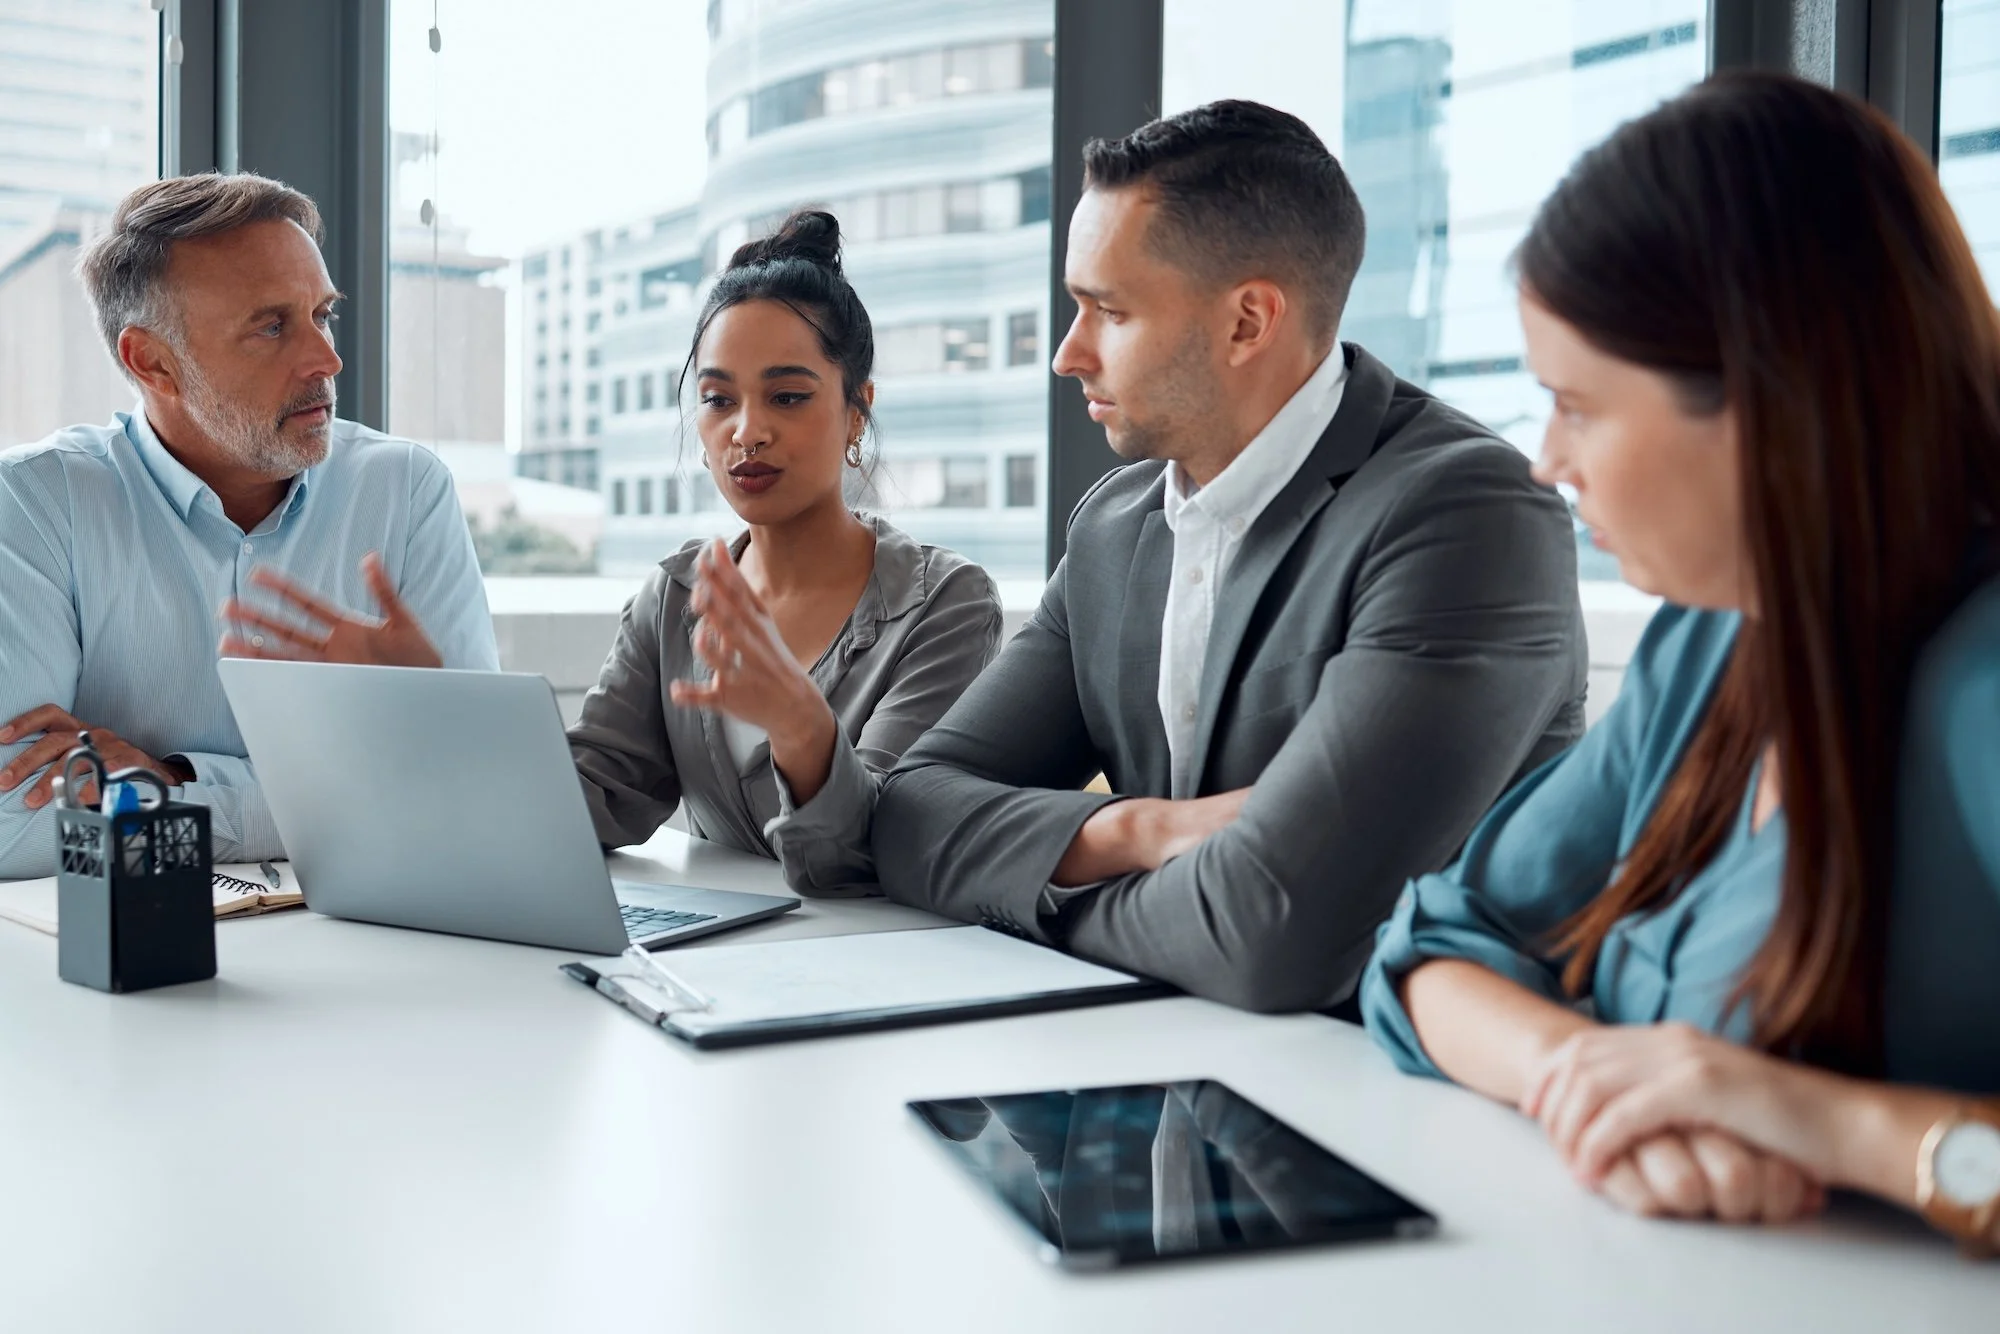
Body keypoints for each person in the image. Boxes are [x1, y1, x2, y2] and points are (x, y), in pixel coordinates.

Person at [1359, 72, 2000, 1244]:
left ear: (1768, 399)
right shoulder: (1713, 637)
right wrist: (1594, 1081)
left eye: (1578, 405)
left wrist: (1828, 1123)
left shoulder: (1980, 694)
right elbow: (1430, 949)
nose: (1548, 460)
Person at [872, 101, 1588, 1013]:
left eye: (1108, 311)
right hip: (1179, 1081)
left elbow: (1271, 933)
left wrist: (1026, 886)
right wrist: (1143, 830)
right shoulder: (1113, 528)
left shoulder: (1469, 513)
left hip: (1401, 1107)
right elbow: (905, 814)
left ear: (1249, 321)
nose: (1067, 354)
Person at [0, 173, 495, 879]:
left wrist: (169, 785)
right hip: (125, 970)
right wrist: (352, 785)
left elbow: (472, 790)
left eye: (323, 315)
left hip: (372, 949)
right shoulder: (36, 500)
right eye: (272, 326)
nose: (327, 360)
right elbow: (11, 828)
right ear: (152, 361)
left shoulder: (405, 489)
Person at [563, 211, 1002, 893]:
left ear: (857, 411)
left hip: (880, 970)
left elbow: (885, 848)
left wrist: (802, 726)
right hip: (713, 973)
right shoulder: (675, 595)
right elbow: (593, 799)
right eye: (717, 400)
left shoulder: (944, 603)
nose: (747, 432)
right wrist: (442, 715)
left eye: (788, 396)